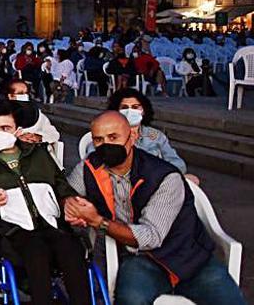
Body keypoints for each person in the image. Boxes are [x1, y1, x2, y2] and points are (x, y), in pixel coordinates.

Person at [65, 111, 244, 304]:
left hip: (189, 258)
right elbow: (66, 191)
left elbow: (150, 237)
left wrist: (97, 221)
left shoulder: (164, 176)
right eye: (99, 140)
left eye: (113, 137)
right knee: (131, 299)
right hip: (142, 260)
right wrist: (70, 204)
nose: (106, 145)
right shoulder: (89, 168)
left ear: (132, 136)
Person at [0, 98, 90, 305]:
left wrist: (69, 201)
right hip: (9, 231)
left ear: (18, 130)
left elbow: (61, 186)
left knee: (72, 249)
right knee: (37, 251)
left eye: (5, 127)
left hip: (50, 225)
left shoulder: (39, 154)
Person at [86, 88, 198, 185]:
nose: (130, 111)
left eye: (135, 107)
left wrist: (158, 175)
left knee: (191, 180)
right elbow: (93, 162)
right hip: (121, 186)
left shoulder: (156, 136)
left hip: (156, 181)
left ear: (143, 111)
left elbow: (178, 163)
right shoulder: (105, 133)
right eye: (125, 107)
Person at [2, 79, 61, 145]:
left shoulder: (36, 114)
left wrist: (38, 137)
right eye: (20, 93)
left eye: (26, 93)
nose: (24, 96)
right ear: (10, 96)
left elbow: (54, 134)